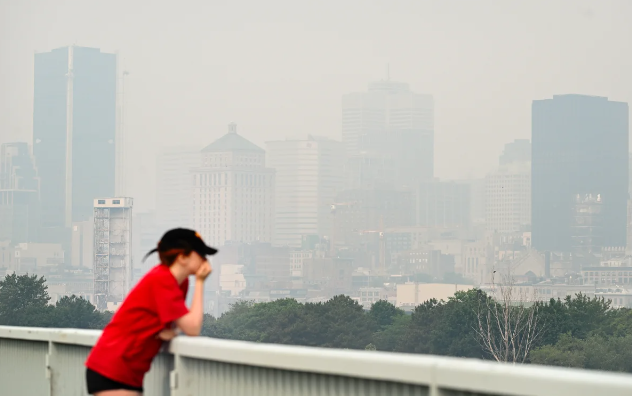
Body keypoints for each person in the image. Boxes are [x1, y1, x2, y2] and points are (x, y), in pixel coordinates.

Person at [85, 228, 217, 395]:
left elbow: (174, 321)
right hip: (113, 367)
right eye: (200, 254)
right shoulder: (163, 280)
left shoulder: (178, 283)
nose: (205, 259)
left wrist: (171, 330)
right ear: (182, 257)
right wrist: (200, 282)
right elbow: (192, 328)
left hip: (131, 371)